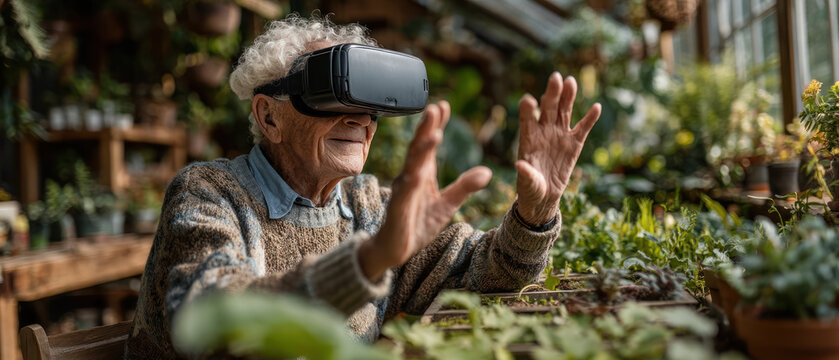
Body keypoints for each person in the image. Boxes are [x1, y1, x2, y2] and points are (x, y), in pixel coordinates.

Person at [125, 15, 601, 358]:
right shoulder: (209, 194)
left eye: (370, 103)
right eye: (332, 95)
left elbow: (485, 274)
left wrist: (535, 214)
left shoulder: (367, 204)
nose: (358, 119)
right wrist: (369, 260)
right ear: (269, 115)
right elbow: (214, 324)